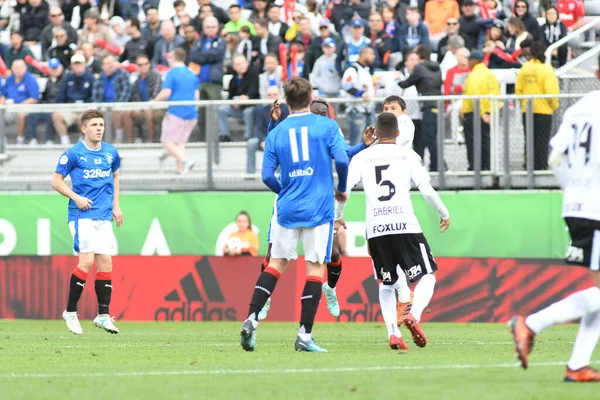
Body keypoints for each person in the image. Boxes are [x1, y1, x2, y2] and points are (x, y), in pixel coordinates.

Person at [239, 77, 350, 353]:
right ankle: (304, 335)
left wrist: (285, 190)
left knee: (275, 264)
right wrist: (342, 189)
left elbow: (266, 175)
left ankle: (251, 319)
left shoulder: (276, 133)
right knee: (314, 269)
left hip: (287, 208)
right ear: (311, 98)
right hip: (318, 208)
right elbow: (343, 160)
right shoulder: (327, 125)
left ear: (287, 102)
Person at [509, 54, 600, 383]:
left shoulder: (578, 108)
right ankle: (530, 324)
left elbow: (554, 155)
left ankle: (577, 366)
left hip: (577, 204)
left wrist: (574, 190)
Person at [335, 112, 451, 349]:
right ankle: (413, 315)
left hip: (376, 229)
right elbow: (426, 190)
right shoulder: (408, 155)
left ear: (375, 133)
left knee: (387, 283)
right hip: (405, 224)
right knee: (427, 274)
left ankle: (392, 333)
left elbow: (343, 190)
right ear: (398, 133)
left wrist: (337, 217)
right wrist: (444, 213)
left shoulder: (362, 157)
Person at [256, 97, 375, 322]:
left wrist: (363, 146)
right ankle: (266, 298)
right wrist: (273, 123)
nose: (319, 115)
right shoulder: (296, 126)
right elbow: (274, 143)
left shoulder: (330, 130)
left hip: (318, 198)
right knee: (273, 254)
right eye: (316, 111)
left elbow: (343, 154)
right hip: (289, 196)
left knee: (332, 254)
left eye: (323, 112)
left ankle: (330, 288)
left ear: (328, 115)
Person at [52, 109, 123, 335]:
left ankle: (103, 315)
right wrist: (76, 197)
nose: (99, 128)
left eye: (101, 124)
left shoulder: (111, 152)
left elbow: (115, 177)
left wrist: (116, 206)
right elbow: (56, 181)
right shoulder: (73, 153)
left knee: (106, 265)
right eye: (94, 125)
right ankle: (70, 311)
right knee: (86, 262)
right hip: (81, 216)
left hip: (103, 216)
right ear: (84, 128)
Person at [151, 47, 199, 174]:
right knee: (180, 142)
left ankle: (185, 161)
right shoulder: (192, 73)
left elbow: (166, 92)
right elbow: (196, 95)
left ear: (173, 58)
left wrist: (154, 102)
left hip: (177, 112)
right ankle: (181, 171)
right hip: (192, 113)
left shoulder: (172, 73)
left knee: (167, 141)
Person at [516, 41, 559, 170]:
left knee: (529, 140)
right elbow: (551, 91)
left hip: (527, 110)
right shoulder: (546, 68)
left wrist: (524, 104)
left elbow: (519, 90)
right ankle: (540, 167)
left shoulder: (525, 68)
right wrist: (553, 105)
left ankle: (528, 166)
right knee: (542, 141)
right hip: (544, 111)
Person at [460, 50, 499, 171]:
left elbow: (474, 96)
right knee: (485, 140)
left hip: (474, 113)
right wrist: (488, 112)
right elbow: (496, 94)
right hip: (486, 112)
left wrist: (481, 113)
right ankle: (486, 166)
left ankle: (475, 167)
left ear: (474, 61)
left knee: (473, 142)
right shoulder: (489, 74)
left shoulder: (474, 75)